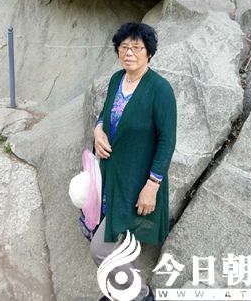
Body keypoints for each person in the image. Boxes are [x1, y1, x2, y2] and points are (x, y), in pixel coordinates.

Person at [90, 22, 177, 301]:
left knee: (101, 250)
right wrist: (98, 130)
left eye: (137, 48)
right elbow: (105, 115)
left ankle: (139, 295)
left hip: (137, 182)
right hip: (111, 177)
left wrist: (152, 185)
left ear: (149, 53)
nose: (129, 53)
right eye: (124, 47)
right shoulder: (117, 79)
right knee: (122, 244)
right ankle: (124, 291)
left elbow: (167, 141)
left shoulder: (160, 89)